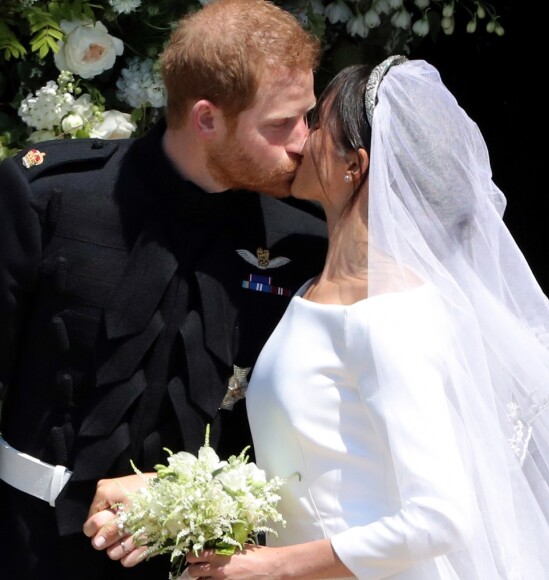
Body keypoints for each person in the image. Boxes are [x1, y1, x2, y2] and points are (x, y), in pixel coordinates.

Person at [84, 59, 549, 578]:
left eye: (318, 123)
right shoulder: (314, 291)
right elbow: (314, 470)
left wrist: (274, 565)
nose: (300, 137)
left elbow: (440, 519)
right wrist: (171, 496)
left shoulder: (390, 317)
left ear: (355, 166)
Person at [0, 1, 327, 579]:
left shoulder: (302, 242)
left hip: (206, 564)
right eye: (280, 124)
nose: (304, 142)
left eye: (307, 117)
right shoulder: (50, 199)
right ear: (207, 117)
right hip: (28, 548)